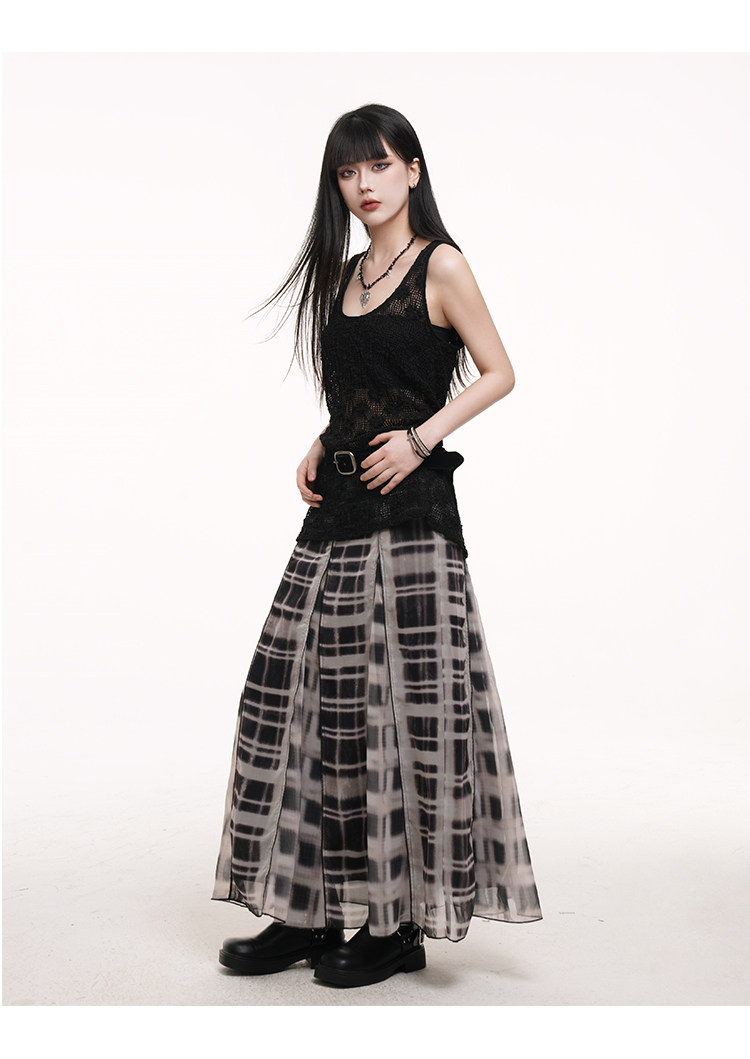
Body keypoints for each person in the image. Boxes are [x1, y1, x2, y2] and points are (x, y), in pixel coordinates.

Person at [211, 102, 542, 990]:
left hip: (413, 510)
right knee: (293, 697)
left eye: (380, 165)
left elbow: (500, 371)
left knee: (402, 713)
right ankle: (309, 908)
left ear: (413, 170)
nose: (364, 184)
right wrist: (326, 437)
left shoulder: (442, 264)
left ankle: (396, 926)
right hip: (342, 502)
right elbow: (362, 385)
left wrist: (424, 438)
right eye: (348, 171)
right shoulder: (346, 275)